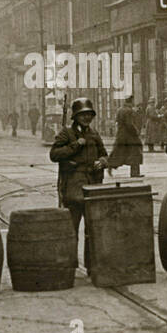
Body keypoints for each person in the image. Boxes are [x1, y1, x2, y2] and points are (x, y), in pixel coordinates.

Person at [49, 97, 108, 268]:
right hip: (74, 188)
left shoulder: (94, 134)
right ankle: (69, 265)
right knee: (71, 229)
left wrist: (103, 162)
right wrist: (75, 145)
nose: (86, 118)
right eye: (83, 115)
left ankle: (92, 265)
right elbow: (54, 154)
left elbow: (104, 154)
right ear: (75, 116)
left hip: (93, 187)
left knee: (93, 230)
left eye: (89, 114)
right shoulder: (67, 133)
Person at [109, 96, 144, 178]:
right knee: (135, 152)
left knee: (118, 152)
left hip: (121, 134)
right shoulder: (129, 110)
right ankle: (135, 173)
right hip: (129, 135)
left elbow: (117, 121)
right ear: (131, 101)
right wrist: (136, 131)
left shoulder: (120, 109)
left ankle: (110, 165)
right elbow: (129, 124)